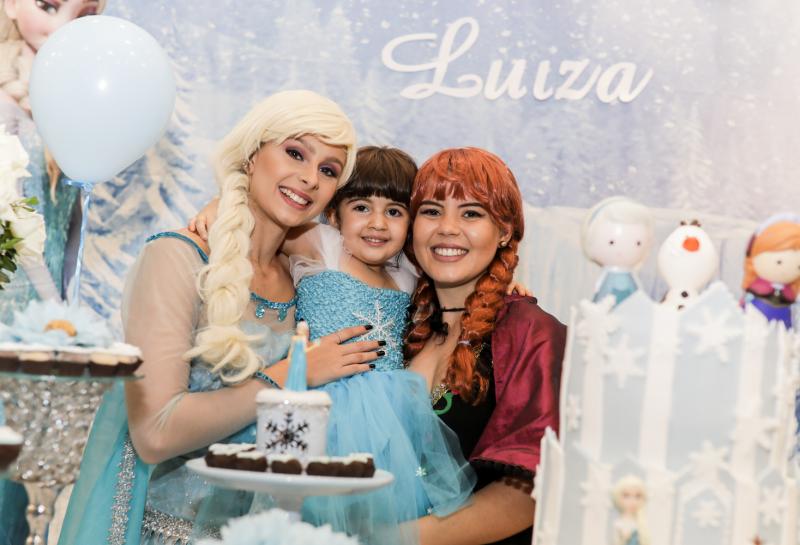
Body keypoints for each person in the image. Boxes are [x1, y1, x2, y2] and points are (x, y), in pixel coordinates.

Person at [57, 90, 383, 545]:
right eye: (295, 153)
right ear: (251, 155)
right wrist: (293, 374)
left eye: (328, 171)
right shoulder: (177, 257)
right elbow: (155, 433)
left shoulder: (308, 277)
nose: (310, 178)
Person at [404, 147, 566, 545]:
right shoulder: (402, 329)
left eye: (471, 213)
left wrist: (391, 537)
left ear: (505, 230)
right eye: (431, 211)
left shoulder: (533, 334)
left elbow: (527, 493)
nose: (447, 228)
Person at [0, 2, 105, 544]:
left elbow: (69, 239)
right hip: (12, 321)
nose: (62, 25)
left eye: (81, 13)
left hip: (39, 345)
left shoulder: (77, 109)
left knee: (21, 500)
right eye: (48, 3)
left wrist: (61, 321)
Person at [580, 196, 653, 306]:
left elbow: (638, 294)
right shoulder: (606, 278)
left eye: (638, 243)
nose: (626, 251)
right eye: (611, 242)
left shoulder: (631, 278)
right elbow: (600, 294)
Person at [741, 213, 800, 329]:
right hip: (754, 325)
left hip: (784, 328)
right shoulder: (755, 288)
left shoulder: (791, 292)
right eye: (779, 262)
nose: (784, 270)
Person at [611, 475, 650, 545]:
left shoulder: (641, 521)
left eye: (638, 496)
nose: (632, 501)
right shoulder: (619, 523)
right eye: (626, 496)